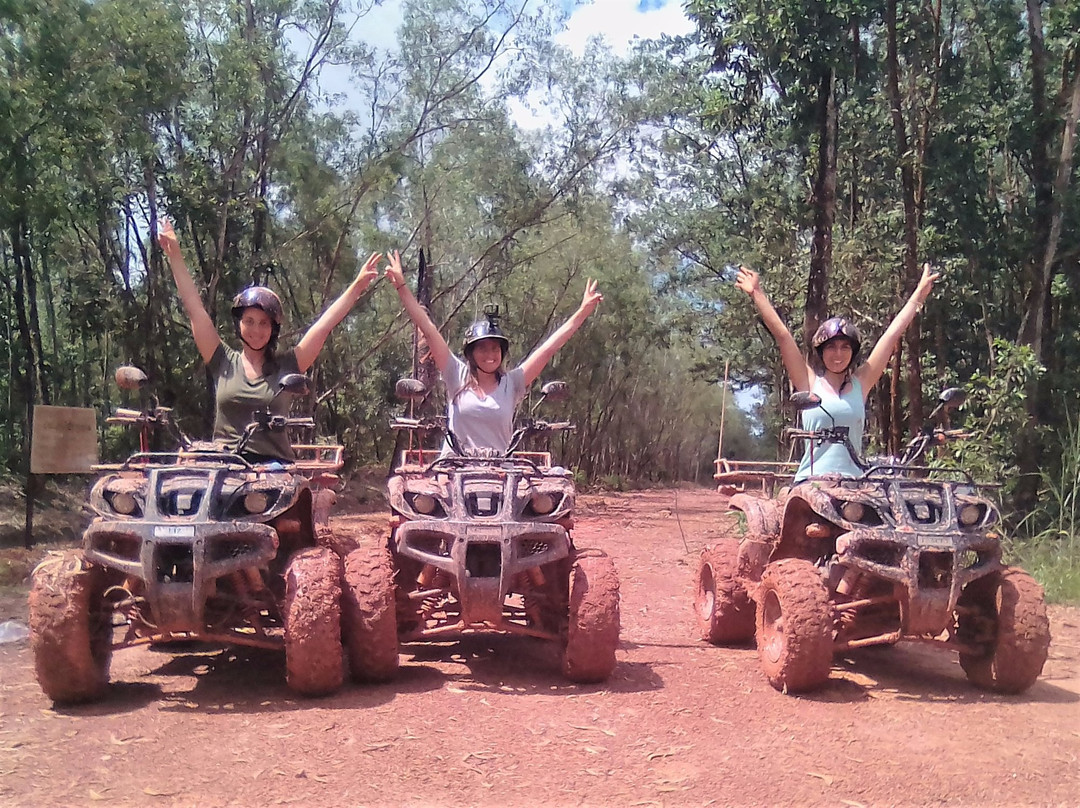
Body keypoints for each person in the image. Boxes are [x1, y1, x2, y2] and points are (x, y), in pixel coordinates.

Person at [157, 219, 380, 461]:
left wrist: (357, 286)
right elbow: (195, 310)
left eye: (264, 323)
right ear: (239, 324)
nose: (256, 329)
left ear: (274, 328)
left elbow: (324, 325)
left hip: (273, 466)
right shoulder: (222, 360)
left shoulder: (288, 365)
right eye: (249, 321)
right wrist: (175, 255)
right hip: (225, 463)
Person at [736, 262, 939, 481]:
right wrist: (757, 293)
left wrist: (918, 296)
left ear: (853, 352)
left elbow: (891, 335)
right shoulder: (809, 383)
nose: (838, 354)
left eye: (845, 347)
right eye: (831, 347)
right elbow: (783, 336)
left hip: (855, 484)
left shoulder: (861, 383)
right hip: (812, 483)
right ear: (821, 352)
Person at [384, 250, 602, 454]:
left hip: (501, 471)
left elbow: (548, 349)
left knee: (553, 482)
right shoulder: (455, 373)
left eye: (495, 348)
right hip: (453, 468)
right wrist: (402, 286)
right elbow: (428, 329)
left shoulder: (512, 382)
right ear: (470, 353)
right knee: (413, 486)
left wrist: (582, 312)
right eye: (482, 348)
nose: (490, 354)